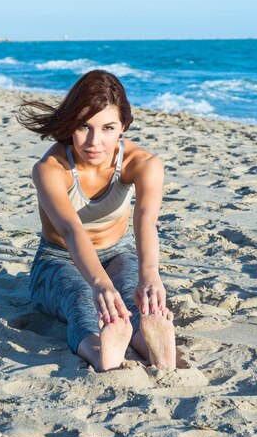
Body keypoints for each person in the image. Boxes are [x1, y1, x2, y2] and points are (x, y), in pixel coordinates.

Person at [17, 69, 177, 372]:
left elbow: (145, 221)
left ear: (123, 126)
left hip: (118, 253)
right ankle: (102, 353)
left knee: (135, 304)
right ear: (70, 125)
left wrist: (150, 275)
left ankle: (156, 350)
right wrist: (100, 284)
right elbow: (70, 229)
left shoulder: (144, 164)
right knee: (83, 301)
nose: (94, 141)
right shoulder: (50, 169)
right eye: (83, 127)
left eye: (107, 128)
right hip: (57, 260)